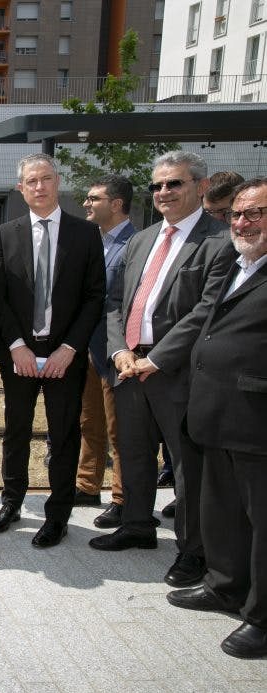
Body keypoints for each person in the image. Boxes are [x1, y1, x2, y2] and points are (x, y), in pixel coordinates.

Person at [90, 151, 237, 590]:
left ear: (201, 186)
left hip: (179, 371)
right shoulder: (142, 239)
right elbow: (116, 303)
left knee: (187, 464)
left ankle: (193, 550)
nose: (164, 192)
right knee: (133, 452)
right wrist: (120, 352)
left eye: (175, 183)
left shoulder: (220, 241)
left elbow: (207, 311)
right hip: (129, 365)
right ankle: (137, 525)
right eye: (157, 185)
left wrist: (156, 359)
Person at [169, 179, 267, 659]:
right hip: (216, 411)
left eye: (255, 214)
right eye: (236, 214)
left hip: (257, 416)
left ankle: (262, 618)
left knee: (262, 521)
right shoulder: (238, 263)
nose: (242, 223)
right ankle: (225, 585)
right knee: (223, 510)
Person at [0, 154, 105, 548]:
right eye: (31, 181)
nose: (39, 187)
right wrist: (16, 346)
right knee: (16, 430)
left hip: (65, 355)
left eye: (46, 179)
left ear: (58, 181)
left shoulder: (85, 234)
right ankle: (11, 501)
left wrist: (69, 348)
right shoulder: (5, 234)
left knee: (64, 434)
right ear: (21, 188)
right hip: (19, 352)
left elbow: (94, 296)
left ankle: (58, 516)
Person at [76, 175, 135, 528]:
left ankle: (123, 498)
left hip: (117, 351)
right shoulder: (93, 242)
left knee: (120, 429)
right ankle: (86, 486)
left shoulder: (136, 244)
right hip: (87, 348)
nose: (86, 203)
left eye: (93, 198)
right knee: (89, 422)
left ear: (116, 204)